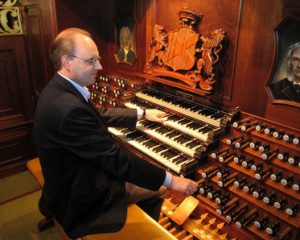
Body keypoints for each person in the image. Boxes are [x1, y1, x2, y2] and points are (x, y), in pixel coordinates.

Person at [33, 27, 198, 239]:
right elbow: (117, 159)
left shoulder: (58, 90)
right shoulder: (69, 108)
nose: (99, 67)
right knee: (158, 190)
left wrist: (142, 112)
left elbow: (96, 114)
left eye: (98, 59)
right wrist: (171, 180)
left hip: (64, 178)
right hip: (79, 196)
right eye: (91, 61)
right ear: (66, 61)